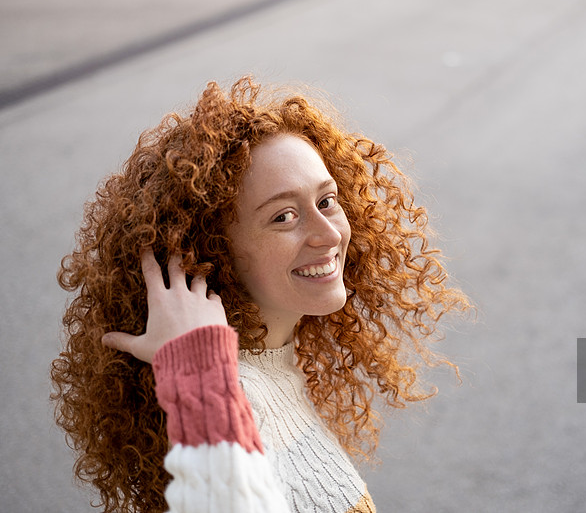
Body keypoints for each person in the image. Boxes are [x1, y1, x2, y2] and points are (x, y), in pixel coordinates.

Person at [51, 76, 470, 513]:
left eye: (327, 201)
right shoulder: (225, 392)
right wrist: (196, 368)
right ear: (214, 250)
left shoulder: (271, 369)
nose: (328, 234)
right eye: (284, 216)